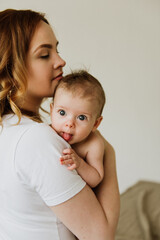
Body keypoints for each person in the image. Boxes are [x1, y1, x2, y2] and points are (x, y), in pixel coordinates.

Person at [0, 9, 120, 240]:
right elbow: (101, 236)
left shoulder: (8, 128)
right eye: (45, 55)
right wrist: (107, 152)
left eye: (57, 49)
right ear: (13, 68)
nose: (61, 61)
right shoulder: (36, 139)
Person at [50, 70, 106, 188]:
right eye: (62, 112)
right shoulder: (47, 132)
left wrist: (80, 164)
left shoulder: (93, 144)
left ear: (95, 123)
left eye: (81, 117)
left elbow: (96, 179)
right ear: (51, 111)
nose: (69, 124)